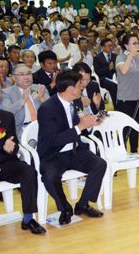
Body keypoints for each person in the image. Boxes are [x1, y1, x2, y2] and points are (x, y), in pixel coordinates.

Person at [37, 70, 107, 225]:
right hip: (54, 153)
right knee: (50, 176)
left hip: (75, 149)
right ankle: (65, 208)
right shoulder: (47, 108)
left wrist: (90, 123)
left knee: (99, 164)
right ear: (70, 89)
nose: (82, 88)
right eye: (79, 85)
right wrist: (80, 127)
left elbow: (78, 125)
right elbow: (52, 139)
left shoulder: (75, 103)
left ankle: (83, 204)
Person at [0, 88, 46, 235]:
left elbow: (13, 146)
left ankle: (28, 218)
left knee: (28, 172)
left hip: (4, 162)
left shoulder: (6, 117)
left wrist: (10, 149)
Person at [115, 34, 139, 153]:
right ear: (126, 46)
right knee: (125, 128)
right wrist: (131, 56)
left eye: (138, 43)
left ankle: (134, 151)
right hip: (125, 99)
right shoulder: (120, 58)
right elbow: (124, 70)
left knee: (136, 126)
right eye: (134, 43)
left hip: (137, 98)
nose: (138, 45)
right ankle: (121, 152)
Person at [0, 64, 49, 139]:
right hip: (22, 129)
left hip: (43, 126)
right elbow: (5, 114)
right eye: (21, 74)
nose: (26, 77)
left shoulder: (40, 88)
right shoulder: (6, 93)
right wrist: (23, 100)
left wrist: (42, 99)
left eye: (29, 73)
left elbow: (53, 110)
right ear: (13, 78)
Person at [93, 38, 117, 108]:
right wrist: (108, 69)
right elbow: (97, 71)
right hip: (103, 79)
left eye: (111, 46)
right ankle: (116, 106)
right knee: (114, 86)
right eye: (108, 46)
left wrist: (114, 68)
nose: (111, 47)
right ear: (103, 47)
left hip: (115, 77)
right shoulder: (97, 57)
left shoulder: (115, 56)